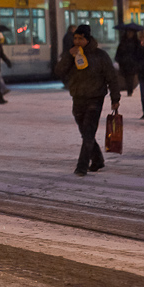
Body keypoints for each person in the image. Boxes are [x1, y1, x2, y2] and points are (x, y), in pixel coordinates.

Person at [55, 24, 120, 177]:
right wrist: (67, 57)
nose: (77, 41)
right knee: (85, 132)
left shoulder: (100, 55)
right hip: (78, 97)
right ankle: (97, 160)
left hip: (95, 98)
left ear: (87, 39)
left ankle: (82, 166)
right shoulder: (71, 55)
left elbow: (111, 77)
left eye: (80, 38)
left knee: (89, 132)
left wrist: (115, 98)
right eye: (75, 38)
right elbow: (58, 72)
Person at [115, 28, 139, 96]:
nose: (129, 34)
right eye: (128, 32)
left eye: (130, 32)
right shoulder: (123, 42)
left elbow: (138, 53)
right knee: (126, 77)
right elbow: (119, 52)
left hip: (132, 63)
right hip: (124, 63)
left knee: (130, 77)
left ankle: (129, 90)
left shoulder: (136, 43)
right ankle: (129, 89)